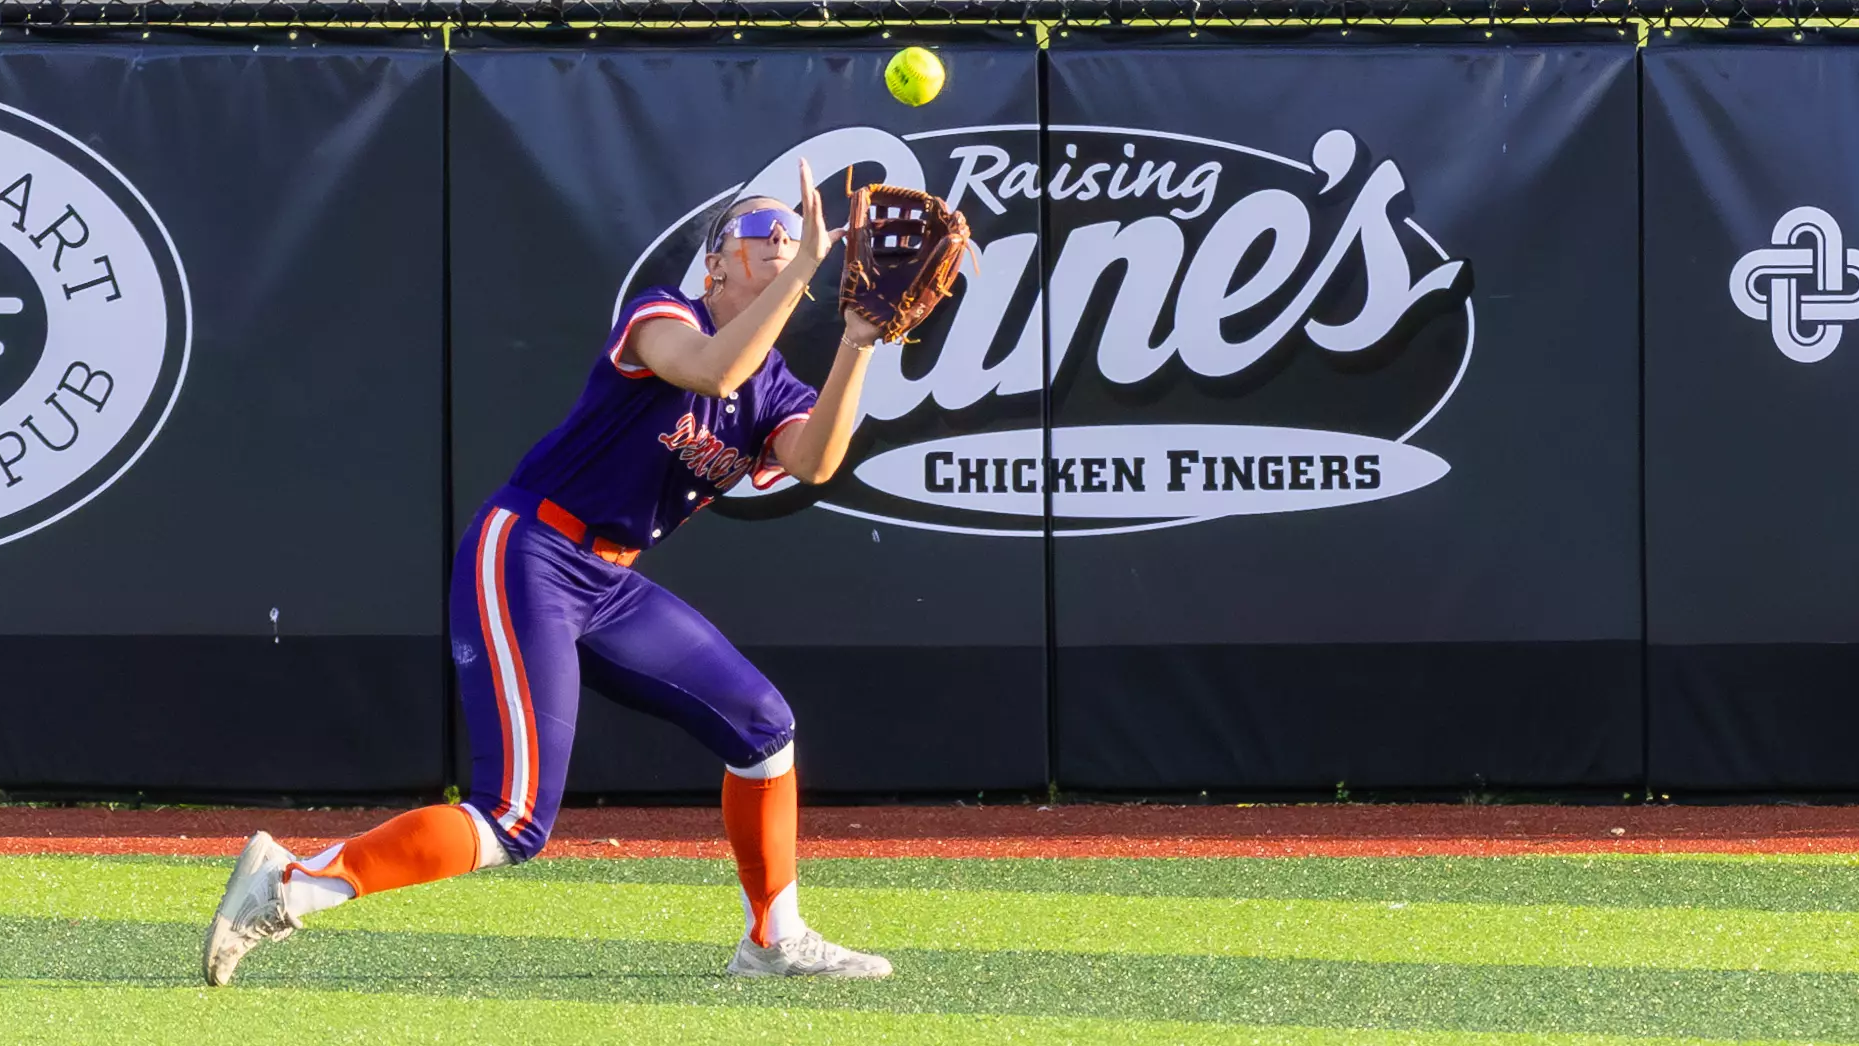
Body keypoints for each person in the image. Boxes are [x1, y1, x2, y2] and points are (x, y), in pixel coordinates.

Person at [203, 158, 894, 984]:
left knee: (763, 729)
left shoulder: (775, 386)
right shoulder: (662, 314)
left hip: (607, 580)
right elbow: (712, 370)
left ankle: (773, 937)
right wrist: (809, 268)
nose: (784, 240)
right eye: (762, 231)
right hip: (529, 551)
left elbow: (813, 461)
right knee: (515, 818)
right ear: (714, 263)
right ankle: (290, 885)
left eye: (792, 234)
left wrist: (858, 342)